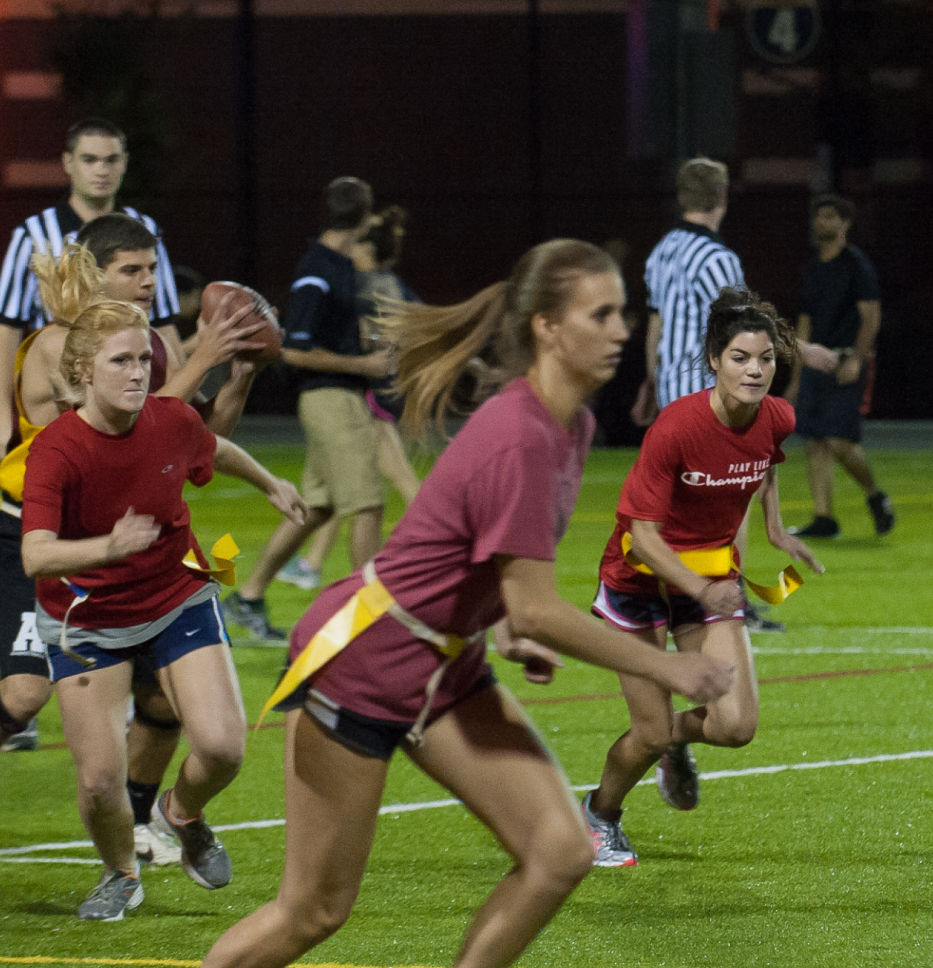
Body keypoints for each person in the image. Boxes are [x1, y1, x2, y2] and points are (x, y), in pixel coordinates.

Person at [199, 239, 732, 968]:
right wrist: (666, 669)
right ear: (547, 326)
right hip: (365, 657)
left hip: (444, 661)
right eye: (601, 314)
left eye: (623, 313)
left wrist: (507, 626)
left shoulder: (570, 426)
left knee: (558, 851)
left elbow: (499, 573)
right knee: (314, 912)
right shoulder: (521, 436)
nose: (621, 330)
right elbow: (540, 605)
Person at [0, 221, 271, 883]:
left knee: (167, 701)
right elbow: (122, 433)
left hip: (125, 552)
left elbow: (190, 436)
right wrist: (204, 355)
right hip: (43, 543)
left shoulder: (144, 348)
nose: (150, 283)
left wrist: (243, 374)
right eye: (134, 271)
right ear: (94, 275)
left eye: (152, 269)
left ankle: (142, 821)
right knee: (25, 694)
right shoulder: (62, 347)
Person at [19, 298, 305, 920]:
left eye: (144, 358)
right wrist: (108, 546)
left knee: (225, 748)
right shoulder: (55, 450)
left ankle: (183, 812)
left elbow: (215, 448)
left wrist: (271, 483)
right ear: (84, 372)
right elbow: (35, 555)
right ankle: (121, 873)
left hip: (177, 596)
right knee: (99, 782)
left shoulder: (169, 420)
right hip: (86, 618)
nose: (138, 371)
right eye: (121, 360)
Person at [581, 287, 824, 867]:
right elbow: (642, 535)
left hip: (708, 580)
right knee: (653, 731)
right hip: (640, 581)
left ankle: (668, 745)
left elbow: (763, 465)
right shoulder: (676, 427)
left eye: (765, 358)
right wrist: (701, 590)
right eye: (741, 357)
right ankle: (599, 815)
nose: (756, 370)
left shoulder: (777, 416)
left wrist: (776, 530)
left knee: (737, 726)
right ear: (714, 359)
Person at [225, 179, 394, 641]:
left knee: (316, 508)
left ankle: (248, 597)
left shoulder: (335, 265)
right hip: (330, 399)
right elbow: (294, 350)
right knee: (368, 506)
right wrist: (363, 362)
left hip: (338, 397)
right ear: (364, 217)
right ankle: (370, 620)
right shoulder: (317, 270)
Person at [0, 118, 184, 466]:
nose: (101, 170)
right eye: (90, 159)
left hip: (129, 388)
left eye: (110, 160)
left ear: (124, 163)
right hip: (60, 389)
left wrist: (184, 399)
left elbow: (164, 322)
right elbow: (7, 327)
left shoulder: (146, 231)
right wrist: (1, 415)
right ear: (68, 163)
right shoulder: (34, 234)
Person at [280, 207, 428, 592]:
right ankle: (309, 563)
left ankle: (432, 543)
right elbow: (423, 322)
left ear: (365, 248)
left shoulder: (363, 285)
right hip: (374, 389)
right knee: (337, 490)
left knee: (380, 485)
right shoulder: (391, 284)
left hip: (368, 393)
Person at [788, 193, 896, 541]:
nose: (823, 222)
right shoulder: (812, 267)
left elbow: (871, 317)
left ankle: (875, 494)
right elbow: (803, 324)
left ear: (846, 223)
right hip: (815, 363)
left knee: (840, 441)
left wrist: (856, 358)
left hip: (845, 360)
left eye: (831, 216)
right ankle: (824, 517)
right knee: (814, 440)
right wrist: (796, 373)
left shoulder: (856, 264)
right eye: (819, 216)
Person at [635, 157, 747, 425]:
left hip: (670, 392)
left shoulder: (662, 251)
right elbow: (744, 326)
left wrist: (652, 381)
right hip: (706, 393)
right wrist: (803, 350)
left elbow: (655, 325)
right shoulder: (716, 259)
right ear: (722, 195)